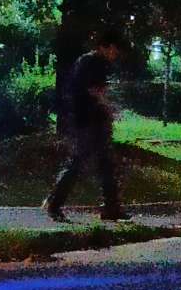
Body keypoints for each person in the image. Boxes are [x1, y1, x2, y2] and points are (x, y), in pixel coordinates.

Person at [42, 28, 131, 223]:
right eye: (115, 50)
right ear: (106, 47)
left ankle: (111, 207)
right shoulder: (92, 62)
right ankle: (54, 203)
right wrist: (111, 108)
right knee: (79, 161)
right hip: (86, 119)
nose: (116, 55)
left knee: (106, 163)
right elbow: (94, 90)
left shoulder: (96, 62)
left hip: (95, 118)